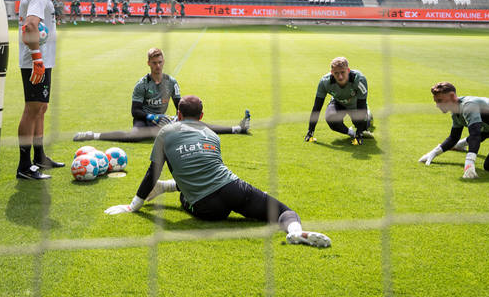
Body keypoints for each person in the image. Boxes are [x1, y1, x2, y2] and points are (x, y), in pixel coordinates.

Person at [104, 95, 331, 248]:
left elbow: (152, 171)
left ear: (178, 114)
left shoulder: (166, 132)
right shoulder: (212, 135)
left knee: (184, 184)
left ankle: (166, 187)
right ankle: (294, 231)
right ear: (201, 117)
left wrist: (133, 206)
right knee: (282, 210)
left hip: (207, 208)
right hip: (233, 189)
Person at [74, 48, 250, 142]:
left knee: (194, 123)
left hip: (164, 119)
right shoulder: (142, 84)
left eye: (160, 62)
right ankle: (92, 135)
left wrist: (178, 119)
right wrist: (152, 116)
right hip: (145, 119)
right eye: (154, 63)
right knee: (135, 136)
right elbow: (135, 111)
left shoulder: (171, 82)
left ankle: (237, 128)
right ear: (149, 63)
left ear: (163, 62)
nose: (158, 66)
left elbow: (181, 107)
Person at [17, 0, 70, 180]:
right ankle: (24, 166)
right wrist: (37, 58)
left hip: (42, 61)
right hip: (35, 62)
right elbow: (29, 25)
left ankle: (39, 157)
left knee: (41, 108)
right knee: (32, 109)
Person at [306, 57, 373, 146]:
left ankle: (369, 116)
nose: (340, 76)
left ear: (348, 70)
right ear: (332, 72)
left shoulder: (359, 79)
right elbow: (317, 107)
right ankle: (352, 132)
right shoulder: (325, 82)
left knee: (363, 125)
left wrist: (359, 134)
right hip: (338, 102)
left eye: (343, 72)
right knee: (331, 118)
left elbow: (361, 106)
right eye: (336, 73)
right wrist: (310, 131)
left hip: (356, 105)